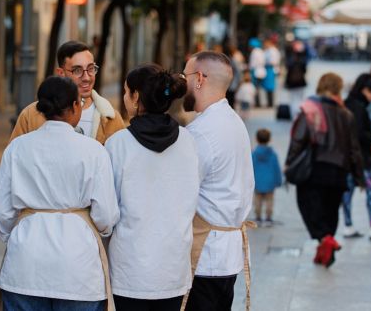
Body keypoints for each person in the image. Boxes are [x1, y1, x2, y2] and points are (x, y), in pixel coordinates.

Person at [0, 76, 119, 311]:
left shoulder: (17, 148)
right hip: (79, 269)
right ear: (73, 106)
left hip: (24, 266)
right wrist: (99, 230)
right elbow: (106, 215)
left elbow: (1, 211)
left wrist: (20, 235)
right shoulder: (93, 151)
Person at [104, 64, 199, 311]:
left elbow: (107, 210)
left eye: (126, 92)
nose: (124, 98)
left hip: (130, 266)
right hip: (173, 263)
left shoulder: (117, 145)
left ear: (136, 97)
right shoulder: (189, 141)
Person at [181, 51, 256, 311]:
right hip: (226, 254)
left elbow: (182, 195)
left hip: (205, 257)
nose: (183, 84)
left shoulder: (201, 133)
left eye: (186, 76)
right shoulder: (233, 121)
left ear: (199, 78)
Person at [285, 72, 364, 268]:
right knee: (330, 211)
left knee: (308, 206)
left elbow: (298, 140)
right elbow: (354, 148)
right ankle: (326, 250)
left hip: (315, 169)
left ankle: (324, 240)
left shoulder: (310, 110)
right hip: (339, 172)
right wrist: (359, 176)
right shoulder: (347, 115)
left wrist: (289, 164)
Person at [10, 40, 124, 144]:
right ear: (61, 73)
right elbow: (15, 158)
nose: (87, 77)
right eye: (77, 70)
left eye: (91, 68)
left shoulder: (112, 119)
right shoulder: (31, 115)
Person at [342, 74, 371, 239]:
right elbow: (358, 133)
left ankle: (348, 225)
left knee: (347, 193)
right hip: (361, 158)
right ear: (365, 90)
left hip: (348, 157)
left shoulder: (347, 103)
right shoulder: (359, 107)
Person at [251, 128, 282, 227]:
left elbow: (250, 167)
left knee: (257, 200)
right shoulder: (273, 154)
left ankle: (258, 217)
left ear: (256, 139)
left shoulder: (254, 154)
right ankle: (268, 217)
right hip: (270, 182)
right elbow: (277, 168)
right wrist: (278, 181)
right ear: (269, 139)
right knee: (269, 200)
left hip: (257, 181)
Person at [284, 40, 308, 117]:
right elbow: (305, 69)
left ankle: (294, 115)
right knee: (299, 99)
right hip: (300, 81)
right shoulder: (302, 58)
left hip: (292, 82)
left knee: (293, 99)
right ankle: (298, 115)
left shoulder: (289, 57)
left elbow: (288, 67)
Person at [248, 38, 266, 108]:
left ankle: (257, 103)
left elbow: (253, 63)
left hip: (256, 72)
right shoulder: (261, 51)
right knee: (258, 88)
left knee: (255, 88)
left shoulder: (254, 52)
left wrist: (248, 68)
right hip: (262, 72)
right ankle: (258, 102)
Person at [263, 38, 281, 108]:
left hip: (271, 69)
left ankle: (270, 102)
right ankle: (269, 102)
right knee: (269, 86)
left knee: (270, 86)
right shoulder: (269, 50)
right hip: (269, 69)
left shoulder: (272, 51)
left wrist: (266, 63)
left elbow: (273, 61)